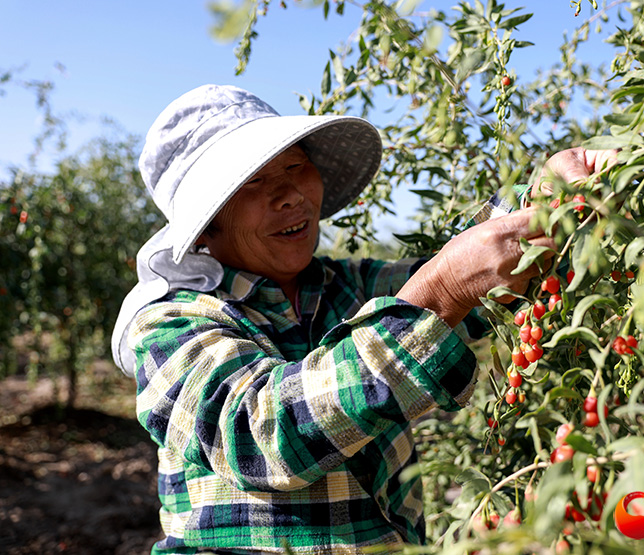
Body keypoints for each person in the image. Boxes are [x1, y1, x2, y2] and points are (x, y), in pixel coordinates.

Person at [112, 84, 616, 555]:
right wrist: (442, 288)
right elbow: (258, 436)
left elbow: (481, 275)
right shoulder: (168, 326)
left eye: (295, 167)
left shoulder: (350, 287)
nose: (288, 194)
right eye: (254, 182)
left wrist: (546, 200)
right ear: (205, 226)